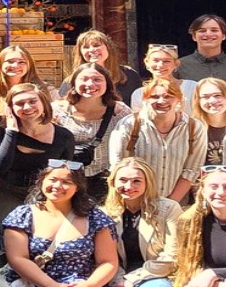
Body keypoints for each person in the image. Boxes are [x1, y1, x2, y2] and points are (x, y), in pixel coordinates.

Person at [0, 163, 118, 287]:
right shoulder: (23, 214)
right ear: (42, 181)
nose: (58, 186)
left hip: (76, 286)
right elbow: (17, 258)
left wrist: (90, 285)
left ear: (77, 186)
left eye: (66, 182)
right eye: (52, 180)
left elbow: (108, 262)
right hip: (33, 284)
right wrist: (50, 285)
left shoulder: (95, 217)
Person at [0, 82, 77, 268]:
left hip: (44, 193)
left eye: (32, 101)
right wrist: (11, 132)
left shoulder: (63, 136)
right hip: (7, 191)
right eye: (19, 104)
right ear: (11, 109)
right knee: (10, 230)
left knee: (44, 234)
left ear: (43, 103)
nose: (27, 107)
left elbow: (66, 172)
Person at [93, 156, 180, 287]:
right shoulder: (103, 214)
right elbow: (102, 258)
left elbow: (172, 257)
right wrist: (117, 281)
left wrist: (131, 279)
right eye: (122, 180)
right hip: (119, 279)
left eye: (136, 181)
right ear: (113, 182)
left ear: (148, 183)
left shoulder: (168, 209)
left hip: (156, 277)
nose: (129, 186)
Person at [106, 77, 205, 204]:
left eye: (168, 96)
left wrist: (169, 204)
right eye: (154, 96)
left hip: (175, 203)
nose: (161, 101)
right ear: (145, 99)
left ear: (179, 99)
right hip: (133, 201)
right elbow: (117, 167)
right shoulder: (130, 124)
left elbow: (192, 170)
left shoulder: (194, 127)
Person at [53, 61, 131, 201]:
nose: (90, 84)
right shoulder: (57, 111)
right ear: (74, 84)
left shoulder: (120, 112)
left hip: (105, 179)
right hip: (65, 179)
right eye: (84, 79)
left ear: (107, 84)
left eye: (97, 79)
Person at [175, 14, 226, 94]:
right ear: (194, 36)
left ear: (223, 36)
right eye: (202, 31)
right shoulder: (178, 66)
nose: (208, 34)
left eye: (214, 30)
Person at [188, 77, 226, 176]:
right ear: (198, 101)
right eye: (205, 97)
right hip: (202, 187)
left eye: (218, 95)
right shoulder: (191, 128)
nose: (212, 101)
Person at [73, 28, 143, 105]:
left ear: (108, 48)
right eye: (86, 47)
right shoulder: (71, 80)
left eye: (96, 45)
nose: (92, 50)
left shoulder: (130, 75)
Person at [131, 43, 195, 114]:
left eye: (166, 61)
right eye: (156, 60)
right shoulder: (139, 94)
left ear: (176, 64)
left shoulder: (192, 87)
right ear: (147, 63)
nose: (160, 65)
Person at [0, 44, 48, 115]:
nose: (15, 66)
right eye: (10, 61)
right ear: (0, 65)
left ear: (29, 66)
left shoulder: (46, 90)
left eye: (21, 62)